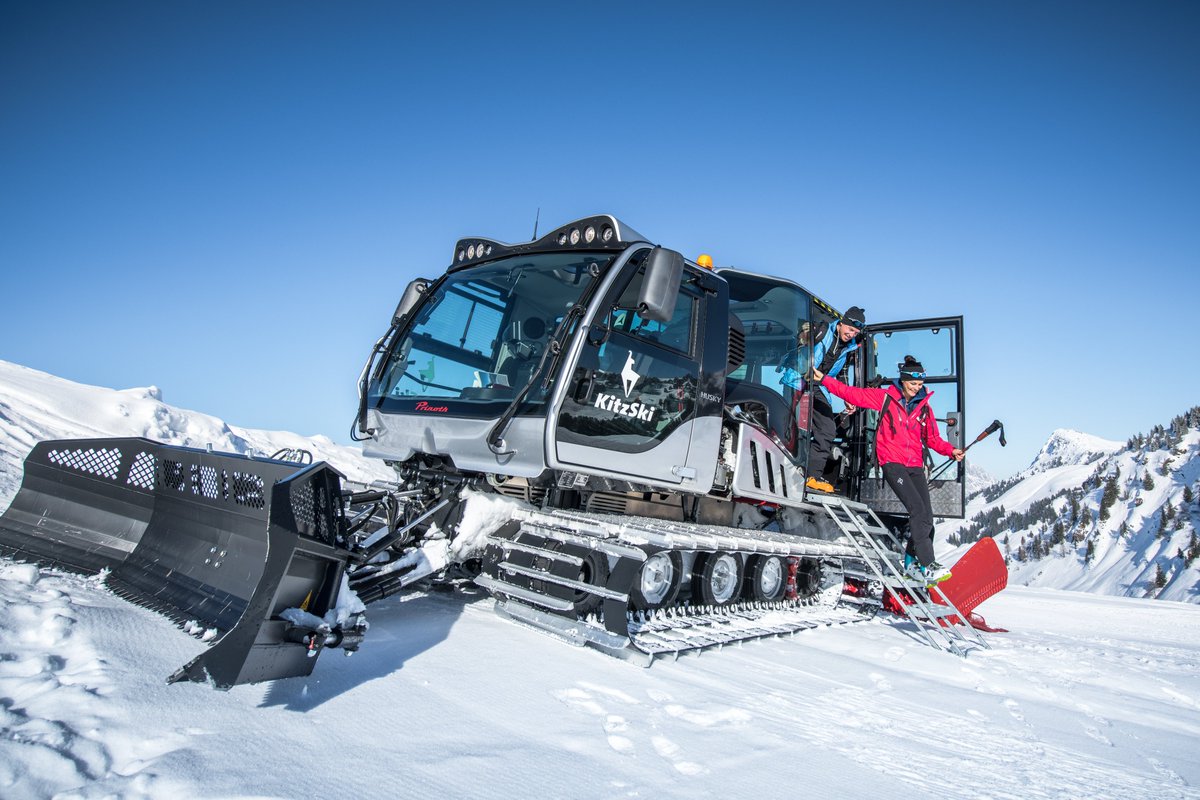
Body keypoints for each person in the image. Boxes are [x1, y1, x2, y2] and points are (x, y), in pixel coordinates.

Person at [813, 355, 964, 584]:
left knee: (927, 518)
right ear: (903, 381)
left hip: (914, 464)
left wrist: (950, 450)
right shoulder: (885, 398)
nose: (916, 388)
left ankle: (911, 563)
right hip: (892, 462)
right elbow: (852, 394)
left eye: (920, 384)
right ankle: (928, 564)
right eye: (913, 384)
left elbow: (932, 438)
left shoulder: (924, 408)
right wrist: (825, 380)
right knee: (916, 509)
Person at [804, 306, 866, 493]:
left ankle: (811, 476)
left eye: (856, 332)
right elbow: (798, 348)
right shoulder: (822, 331)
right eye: (850, 329)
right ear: (841, 323)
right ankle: (803, 472)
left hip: (819, 385)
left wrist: (846, 397)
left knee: (827, 429)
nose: (851, 334)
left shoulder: (848, 347)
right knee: (796, 427)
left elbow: (840, 374)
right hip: (799, 381)